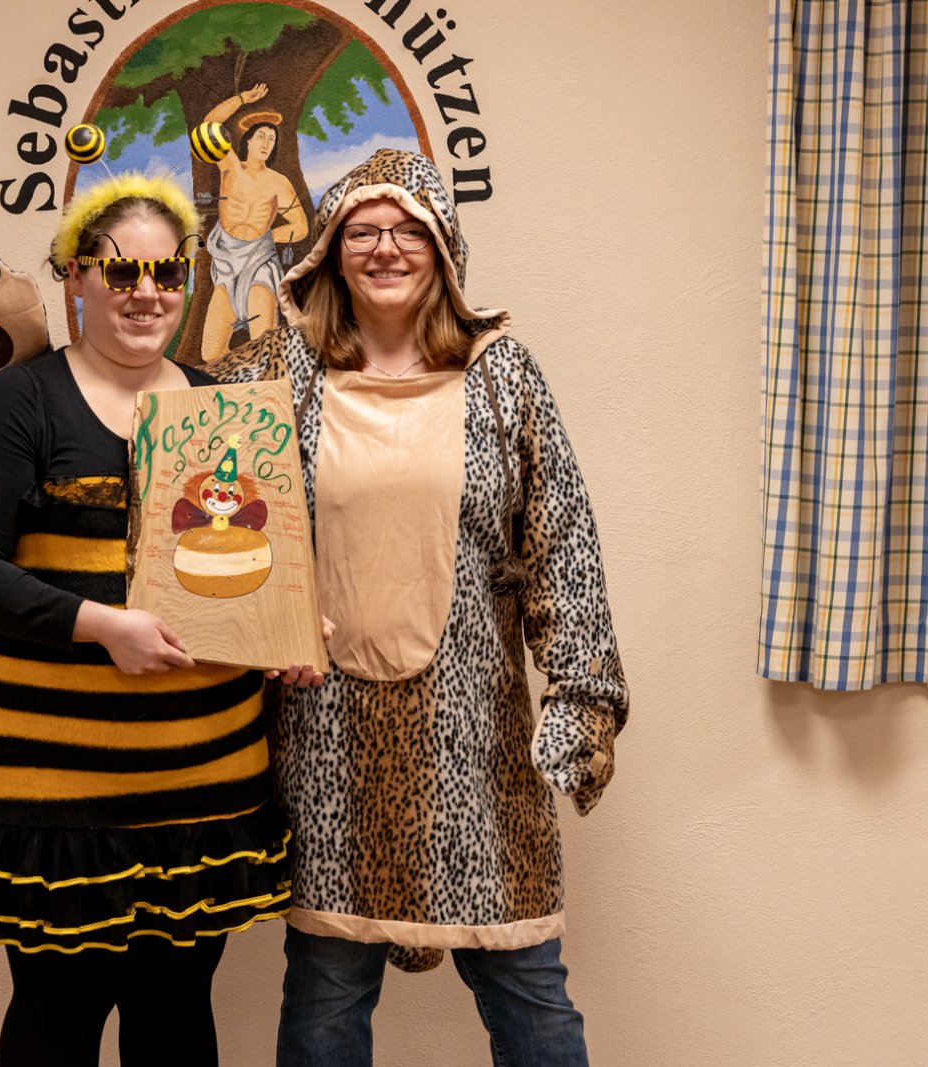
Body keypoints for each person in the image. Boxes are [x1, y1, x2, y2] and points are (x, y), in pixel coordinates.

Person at [209, 149, 630, 1066]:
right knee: (325, 992)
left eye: (410, 230)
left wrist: (582, 696)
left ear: (444, 247)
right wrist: (260, 625)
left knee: (528, 986)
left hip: (474, 736)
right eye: (363, 230)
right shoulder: (274, 372)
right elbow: (196, 488)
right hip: (328, 738)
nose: (386, 248)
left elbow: (562, 543)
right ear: (329, 248)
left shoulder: (502, 373)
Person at [0, 172, 320, 1067]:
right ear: (76, 278)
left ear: (187, 281)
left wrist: (286, 633)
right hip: (56, 793)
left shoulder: (219, 408)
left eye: (166, 272)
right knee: (55, 1019)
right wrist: (100, 625)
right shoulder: (23, 400)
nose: (146, 292)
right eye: (120, 270)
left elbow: (245, 566)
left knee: (176, 1019)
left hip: (202, 784)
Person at [199, 83, 308, 362]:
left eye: (271, 139)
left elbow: (300, 226)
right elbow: (209, 126)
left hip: (259, 262)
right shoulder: (230, 167)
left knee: (263, 346)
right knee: (211, 353)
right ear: (246, 141)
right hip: (226, 262)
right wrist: (241, 99)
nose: (266, 143)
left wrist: (269, 237)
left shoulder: (279, 183)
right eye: (261, 136)